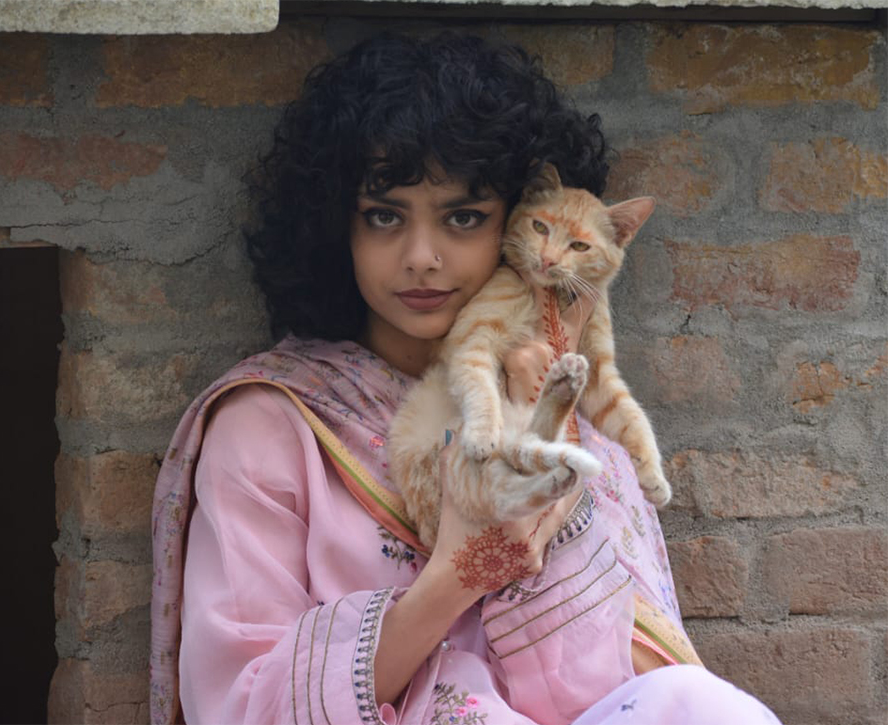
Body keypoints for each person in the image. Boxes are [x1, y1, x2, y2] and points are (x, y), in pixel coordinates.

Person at [150, 32, 782, 725]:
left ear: (517, 228)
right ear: (337, 228)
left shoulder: (569, 420)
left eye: (463, 217)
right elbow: (239, 702)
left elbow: (597, 692)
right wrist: (460, 574)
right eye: (384, 215)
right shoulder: (273, 426)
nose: (422, 256)